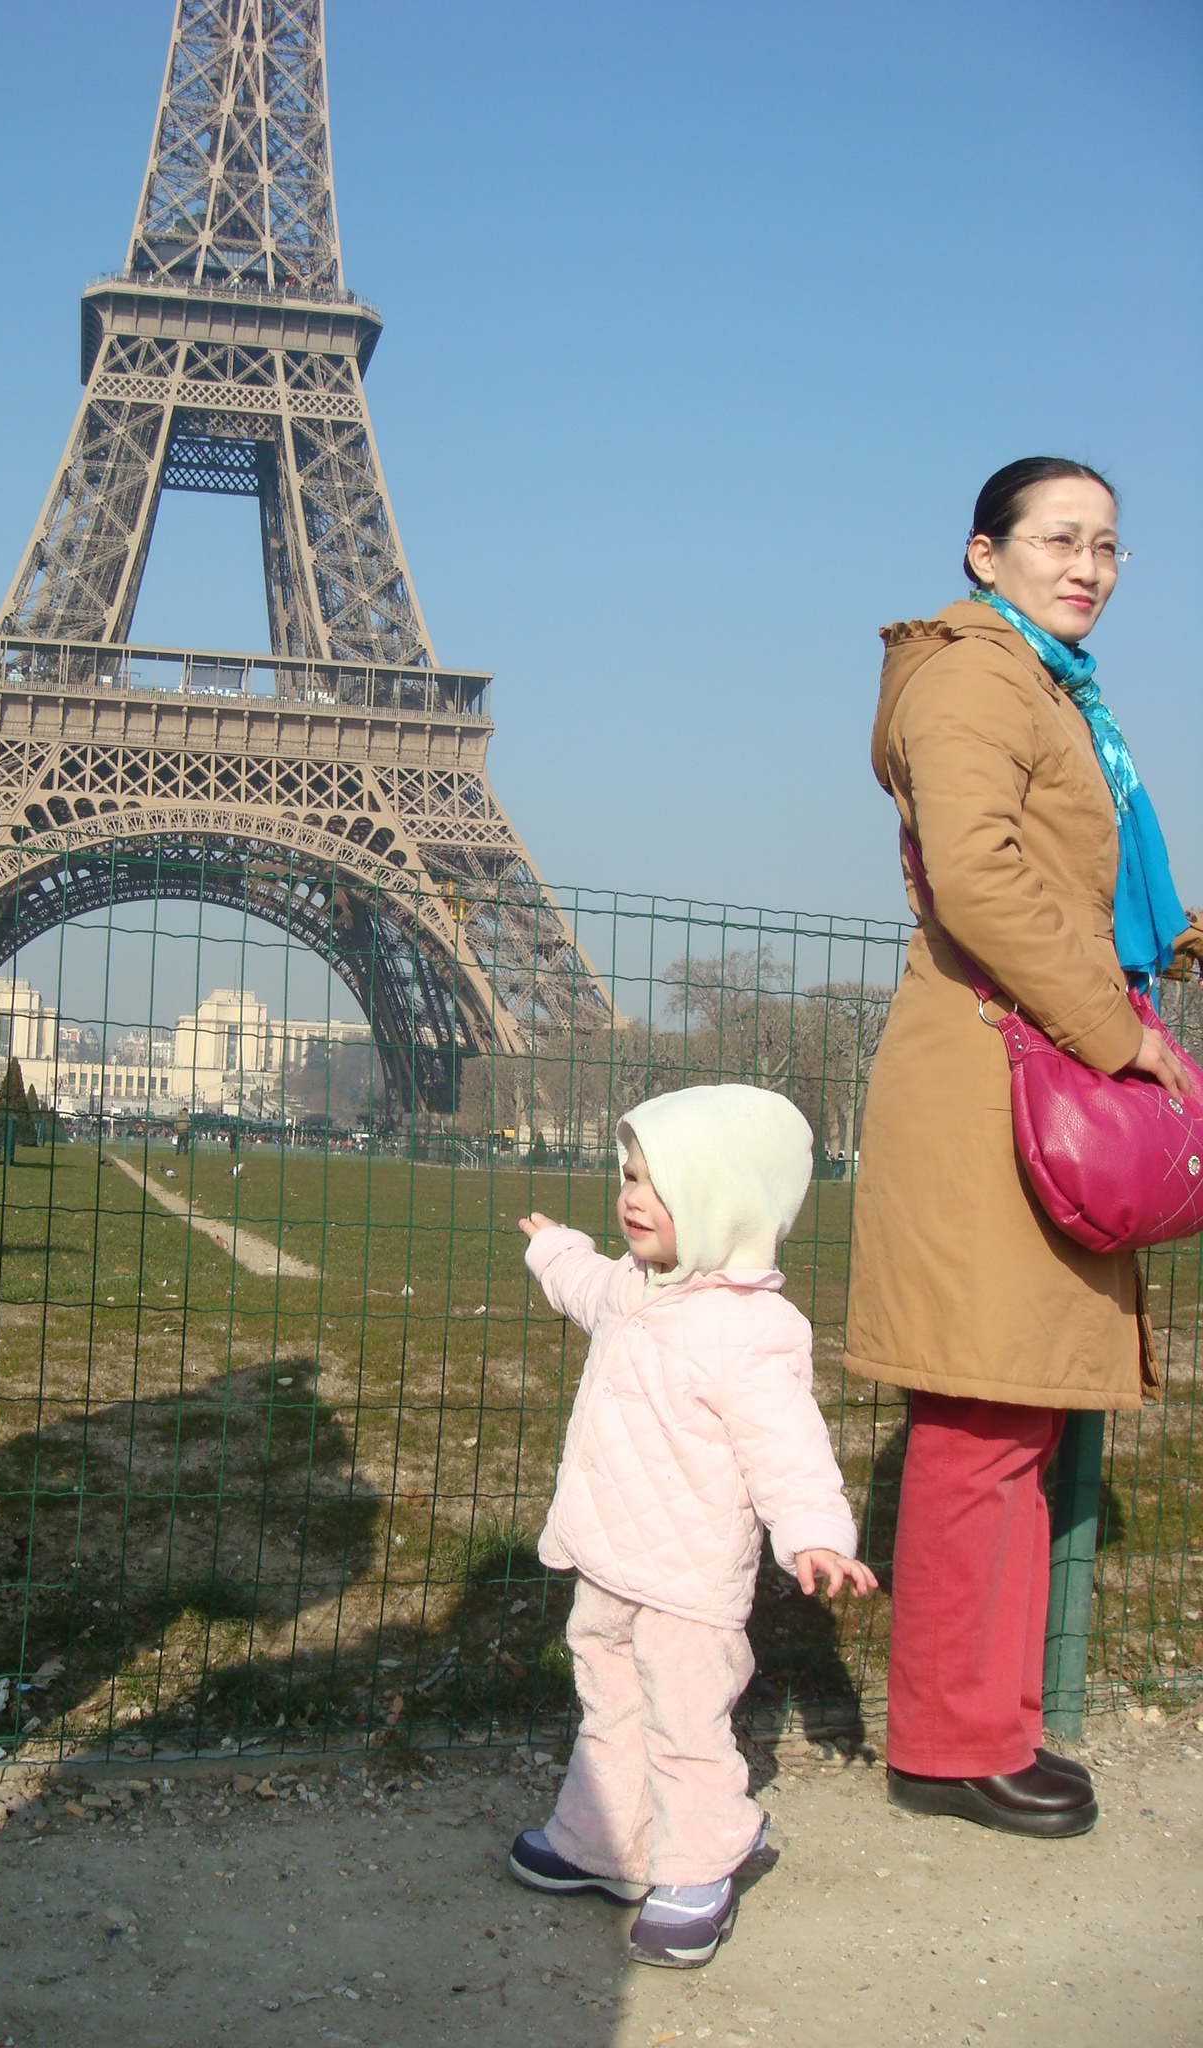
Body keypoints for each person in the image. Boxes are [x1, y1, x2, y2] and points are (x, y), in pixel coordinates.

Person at [843, 458, 1200, 1841]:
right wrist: (1123, 1029)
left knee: (1015, 1422)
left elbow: (1079, 882)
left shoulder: (1051, 688)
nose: (1091, 566)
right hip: (998, 1077)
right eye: (1061, 539)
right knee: (983, 1421)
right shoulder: (978, 677)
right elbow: (983, 873)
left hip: (1025, 1065)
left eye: (1109, 545)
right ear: (984, 553)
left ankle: (980, 1728)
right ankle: (949, 1744)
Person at [508, 1085, 876, 1969]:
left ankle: (704, 1858)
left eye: (659, 1186)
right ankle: (606, 1843)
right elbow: (583, 1284)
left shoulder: (751, 1332)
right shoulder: (633, 1288)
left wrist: (817, 1531)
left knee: (684, 1722)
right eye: (629, 1175)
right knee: (607, 1702)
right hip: (608, 1559)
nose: (633, 1197)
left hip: (688, 1582)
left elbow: (789, 1450)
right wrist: (554, 1246)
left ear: (723, 1205)